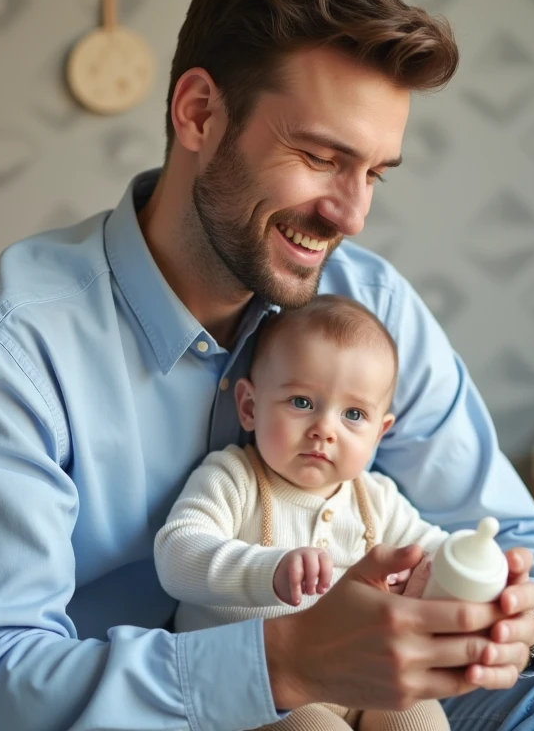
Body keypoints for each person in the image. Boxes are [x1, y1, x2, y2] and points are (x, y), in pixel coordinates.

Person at [0, 0, 534, 730]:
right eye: (322, 157)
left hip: (344, 689)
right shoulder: (1, 346)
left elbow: (519, 534)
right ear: (199, 114)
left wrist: (519, 628)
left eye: (373, 173)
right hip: (102, 710)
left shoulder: (369, 307)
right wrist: (284, 664)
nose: (351, 214)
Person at [154, 295, 452, 731]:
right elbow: (177, 554)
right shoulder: (234, 477)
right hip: (254, 686)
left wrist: (470, 565)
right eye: (301, 402)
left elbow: (433, 548)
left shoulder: (376, 499)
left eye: (353, 414)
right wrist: (269, 570)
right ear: (249, 407)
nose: (324, 429)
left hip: (361, 676)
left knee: (420, 718)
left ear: (378, 433)